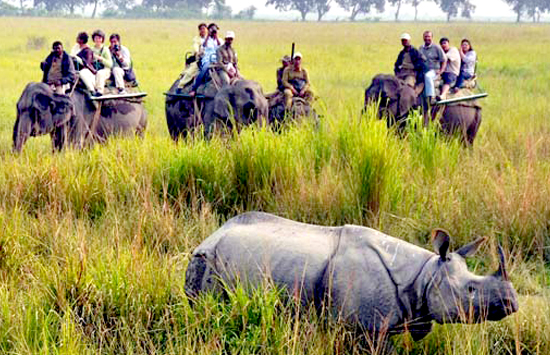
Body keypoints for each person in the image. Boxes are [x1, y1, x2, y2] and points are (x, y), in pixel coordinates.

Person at [190, 23, 222, 97]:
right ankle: (194, 89)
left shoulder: (219, 39)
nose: (214, 31)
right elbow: (204, 45)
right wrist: (208, 36)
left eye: (215, 30)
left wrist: (216, 37)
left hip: (217, 59)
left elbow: (220, 46)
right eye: (212, 30)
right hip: (207, 58)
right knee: (204, 69)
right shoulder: (205, 39)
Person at [419, 31, 447, 103]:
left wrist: (441, 71)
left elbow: (444, 60)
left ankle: (431, 97)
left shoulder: (436, 48)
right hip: (423, 70)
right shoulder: (421, 48)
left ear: (432, 38)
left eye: (429, 36)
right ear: (423, 38)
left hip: (433, 71)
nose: (427, 38)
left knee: (428, 76)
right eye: (426, 36)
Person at [179, 23, 208, 88]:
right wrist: (197, 52)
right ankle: (180, 86)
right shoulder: (197, 39)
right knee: (190, 73)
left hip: (211, 59)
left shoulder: (211, 38)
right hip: (200, 59)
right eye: (201, 29)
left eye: (204, 29)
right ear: (199, 31)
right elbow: (195, 46)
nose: (203, 30)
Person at [72, 32, 101, 96]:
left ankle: (92, 90)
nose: (77, 39)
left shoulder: (88, 51)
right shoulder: (76, 48)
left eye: (78, 38)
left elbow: (87, 63)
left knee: (82, 73)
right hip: (76, 69)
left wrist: (78, 59)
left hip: (87, 70)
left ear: (82, 40)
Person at [91, 29, 113, 95]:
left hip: (105, 70)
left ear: (102, 39)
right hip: (94, 69)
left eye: (99, 38)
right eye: (96, 38)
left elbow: (110, 64)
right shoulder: (91, 50)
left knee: (100, 74)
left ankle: (100, 91)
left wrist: (101, 59)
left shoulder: (105, 50)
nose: (98, 40)